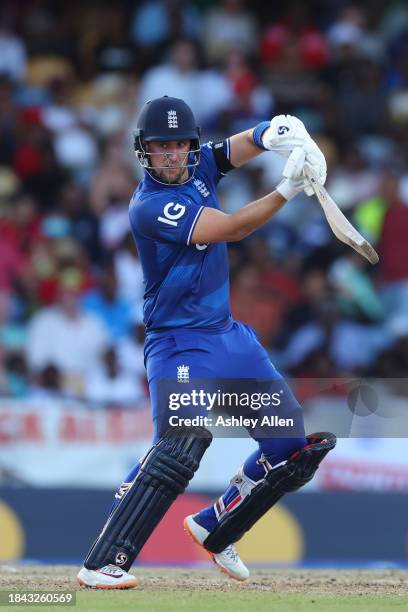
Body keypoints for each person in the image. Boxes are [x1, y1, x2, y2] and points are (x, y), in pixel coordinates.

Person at [77, 96, 336, 589]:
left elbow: (235, 148)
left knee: (290, 445)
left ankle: (216, 526)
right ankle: (102, 562)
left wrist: (274, 133)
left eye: (180, 145)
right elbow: (232, 229)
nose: (173, 155)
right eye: (162, 147)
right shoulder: (148, 206)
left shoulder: (200, 169)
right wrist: (288, 187)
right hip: (178, 345)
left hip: (228, 335)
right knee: (181, 444)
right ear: (144, 151)